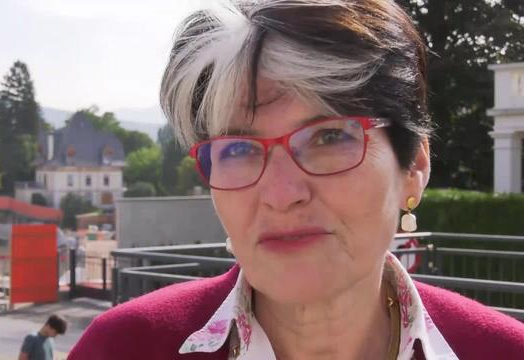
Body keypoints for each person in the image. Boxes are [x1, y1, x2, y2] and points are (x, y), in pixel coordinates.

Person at [69, 1, 524, 359]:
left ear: (414, 167)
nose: (283, 195)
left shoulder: (501, 352)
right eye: (239, 149)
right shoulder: (122, 348)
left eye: (329, 136)